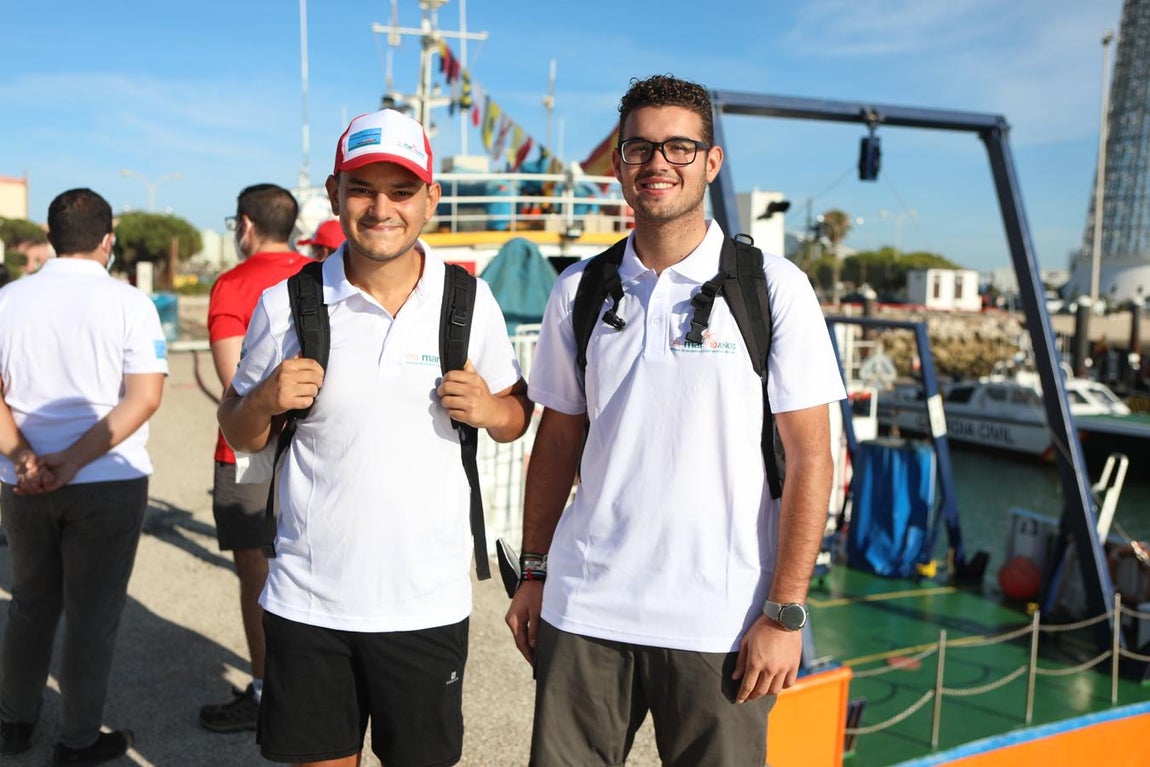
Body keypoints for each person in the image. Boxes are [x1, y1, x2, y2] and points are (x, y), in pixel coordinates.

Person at [504, 74, 846, 766]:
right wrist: (534, 571)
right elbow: (559, 437)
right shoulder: (580, 289)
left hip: (720, 621)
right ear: (620, 166)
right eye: (639, 149)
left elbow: (812, 457)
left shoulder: (772, 288)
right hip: (585, 610)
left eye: (680, 147)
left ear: (710, 163)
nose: (658, 162)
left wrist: (784, 611)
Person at [217, 108, 531, 767]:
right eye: (362, 188)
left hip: (426, 603)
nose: (380, 207)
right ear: (335, 194)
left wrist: (489, 409)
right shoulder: (287, 303)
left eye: (401, 189)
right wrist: (267, 398)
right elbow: (238, 429)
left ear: (429, 199)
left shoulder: (469, 303)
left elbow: (515, 419)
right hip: (308, 602)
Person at [0, 188, 168, 765]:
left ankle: (15, 721)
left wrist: (27, 457)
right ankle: (76, 741)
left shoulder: (7, 301)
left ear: (49, 236)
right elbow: (144, 398)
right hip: (108, 479)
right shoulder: (130, 303)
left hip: (22, 481)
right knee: (93, 616)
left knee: (30, 602)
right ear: (108, 240)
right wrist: (72, 462)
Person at [199, 183, 311, 733]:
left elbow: (233, 387)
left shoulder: (234, 284)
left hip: (246, 454)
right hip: (314, 446)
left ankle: (270, 690)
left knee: (257, 577)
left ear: (245, 225)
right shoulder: (322, 273)